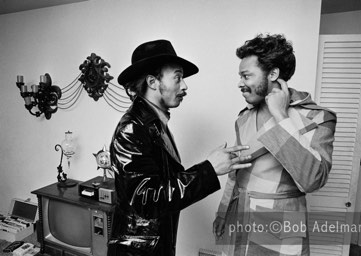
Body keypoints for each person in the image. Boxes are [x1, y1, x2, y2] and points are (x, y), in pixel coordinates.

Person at [107, 39, 252, 256]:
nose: (184, 86)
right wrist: (209, 169)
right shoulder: (132, 129)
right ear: (153, 82)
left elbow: (164, 181)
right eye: (177, 77)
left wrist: (211, 167)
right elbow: (146, 200)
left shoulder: (156, 123)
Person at [213, 34, 337, 256]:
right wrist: (223, 213)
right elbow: (236, 173)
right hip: (237, 218)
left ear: (273, 74)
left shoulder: (318, 117)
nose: (240, 83)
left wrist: (281, 116)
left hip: (279, 230)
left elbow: (313, 179)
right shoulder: (243, 118)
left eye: (246, 75)